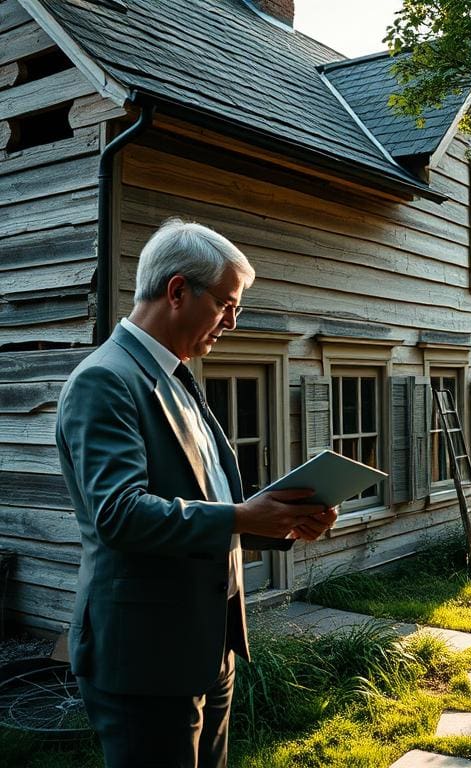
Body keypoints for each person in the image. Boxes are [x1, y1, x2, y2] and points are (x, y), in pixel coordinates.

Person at [56, 219, 337, 768]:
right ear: (178, 291)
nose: (232, 322)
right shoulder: (105, 381)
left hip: (208, 645)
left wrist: (279, 518)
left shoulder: (176, 375)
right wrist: (242, 516)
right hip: (146, 658)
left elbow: (206, 493)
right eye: (227, 305)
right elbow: (120, 514)